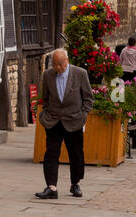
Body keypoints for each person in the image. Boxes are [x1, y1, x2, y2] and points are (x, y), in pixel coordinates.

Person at [36, 48, 94, 199]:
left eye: (60, 64)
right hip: (53, 121)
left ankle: (75, 184)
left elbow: (88, 99)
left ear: (67, 61)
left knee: (76, 154)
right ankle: (51, 187)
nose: (57, 68)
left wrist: (83, 116)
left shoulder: (80, 74)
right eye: (55, 64)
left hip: (74, 121)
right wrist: (45, 115)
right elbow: (46, 99)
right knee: (51, 153)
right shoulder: (48, 75)